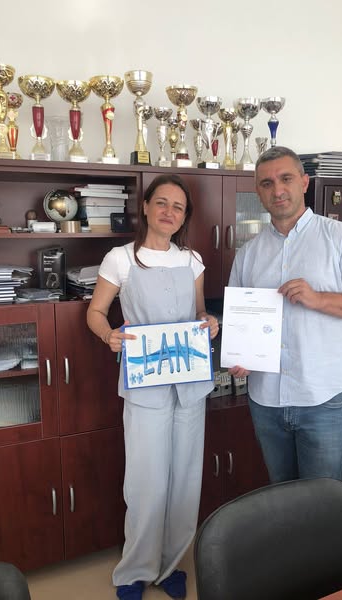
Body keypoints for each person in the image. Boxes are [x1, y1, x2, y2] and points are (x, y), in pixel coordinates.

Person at [87, 173, 219, 600]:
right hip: (145, 387)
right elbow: (95, 312)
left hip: (190, 385)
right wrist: (108, 334)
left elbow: (199, 314)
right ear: (145, 207)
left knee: (185, 481)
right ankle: (135, 570)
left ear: (184, 216)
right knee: (147, 482)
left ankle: (169, 565)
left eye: (178, 207)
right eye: (161, 202)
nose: (169, 212)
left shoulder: (192, 261)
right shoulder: (121, 259)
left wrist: (210, 323)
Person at [228, 146, 342, 484]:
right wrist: (241, 356)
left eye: (285, 179)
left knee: (324, 501)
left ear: (304, 182)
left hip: (322, 399)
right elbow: (242, 319)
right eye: (267, 183)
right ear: (258, 192)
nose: (277, 190)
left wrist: (317, 299)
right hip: (266, 400)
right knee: (284, 497)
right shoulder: (248, 253)